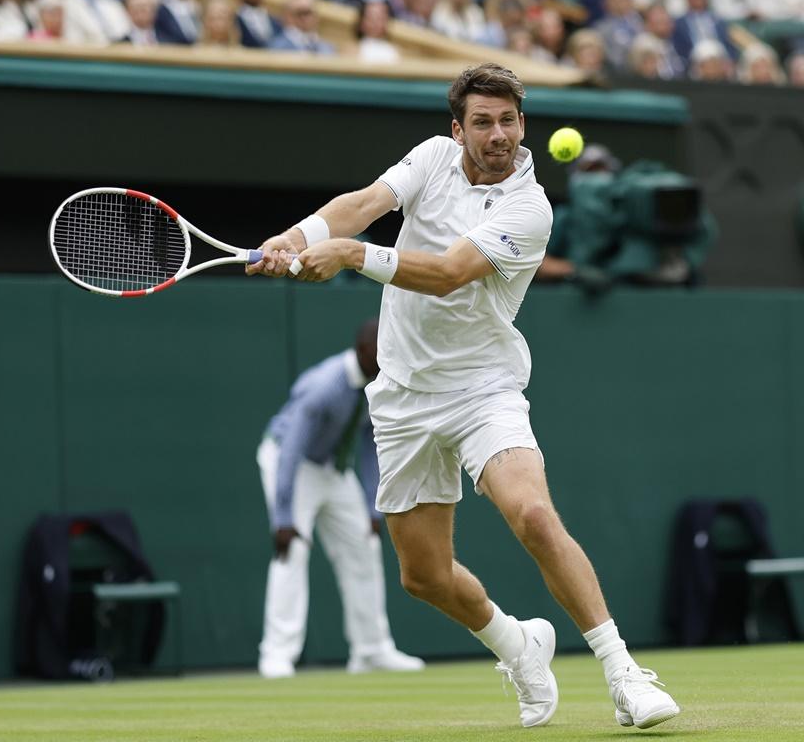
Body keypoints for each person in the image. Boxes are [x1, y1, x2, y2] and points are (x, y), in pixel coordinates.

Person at [246, 63, 681, 731]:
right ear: (459, 130)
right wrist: (299, 238)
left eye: (508, 120)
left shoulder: (530, 208)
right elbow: (362, 204)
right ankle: (519, 645)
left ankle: (624, 674)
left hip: (483, 388)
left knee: (534, 515)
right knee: (423, 577)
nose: (498, 133)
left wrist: (353, 257)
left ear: (522, 125)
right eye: (483, 121)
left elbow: (448, 274)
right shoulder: (431, 159)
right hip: (403, 399)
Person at [257, 319, 425, 679]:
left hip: (333, 468)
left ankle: (371, 649)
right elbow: (290, 450)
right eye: (382, 351)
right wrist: (283, 517)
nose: (389, 358)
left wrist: (370, 505)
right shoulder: (325, 387)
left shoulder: (376, 384)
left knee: (364, 546)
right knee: (293, 551)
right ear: (364, 351)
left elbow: (368, 444)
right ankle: (277, 653)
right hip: (291, 463)